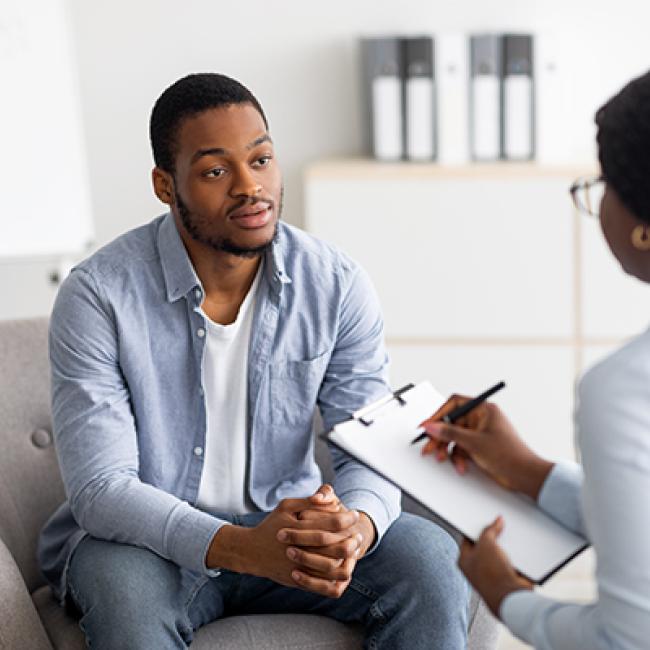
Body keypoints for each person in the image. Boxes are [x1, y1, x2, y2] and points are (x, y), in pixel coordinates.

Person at [37, 72, 468, 649]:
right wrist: (242, 548)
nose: (250, 186)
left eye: (261, 159)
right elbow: (103, 487)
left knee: (429, 558)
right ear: (166, 186)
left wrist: (356, 527)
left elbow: (370, 445)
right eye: (216, 171)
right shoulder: (98, 295)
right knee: (125, 599)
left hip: (288, 532)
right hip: (149, 545)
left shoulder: (336, 284)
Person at [420, 70, 650, 649]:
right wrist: (527, 471)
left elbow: (625, 639)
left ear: (643, 231)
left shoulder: (622, 389)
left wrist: (506, 597)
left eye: (603, 185)